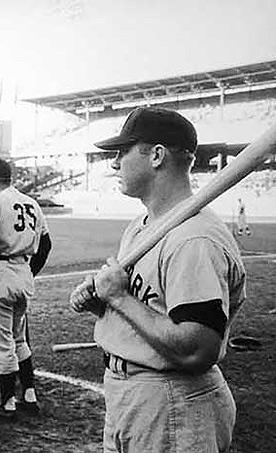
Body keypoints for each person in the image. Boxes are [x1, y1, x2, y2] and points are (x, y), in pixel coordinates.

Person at [69, 107, 246, 452]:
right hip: (131, 395)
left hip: (172, 402)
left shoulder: (194, 239)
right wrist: (104, 305)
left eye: (123, 151)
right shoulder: (141, 227)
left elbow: (197, 349)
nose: (115, 163)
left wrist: (120, 298)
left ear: (157, 156)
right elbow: (150, 310)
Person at [0, 159, 52, 419]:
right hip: (22, 276)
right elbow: (46, 245)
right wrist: (28, 273)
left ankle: (7, 404)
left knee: (2, 343)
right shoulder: (32, 203)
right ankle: (29, 394)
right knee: (18, 339)